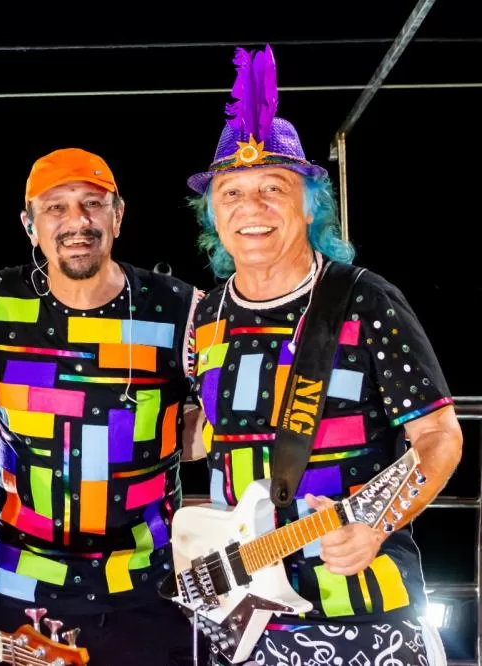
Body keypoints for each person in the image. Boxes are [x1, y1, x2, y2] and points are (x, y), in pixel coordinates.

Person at [181, 45, 462, 665]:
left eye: (273, 188)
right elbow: (208, 438)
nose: (250, 209)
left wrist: (377, 525)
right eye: (231, 193)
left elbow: (440, 437)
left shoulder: (366, 300)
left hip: (365, 607)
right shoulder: (206, 315)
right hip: (249, 611)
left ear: (311, 203)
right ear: (213, 214)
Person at [0, 147, 206, 665]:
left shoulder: (177, 305)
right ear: (29, 224)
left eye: (93, 203)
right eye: (55, 207)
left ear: (118, 215)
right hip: (22, 585)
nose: (77, 221)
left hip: (150, 585)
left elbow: (224, 417)